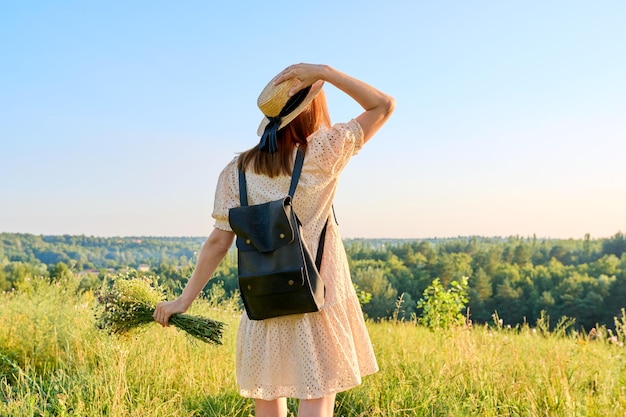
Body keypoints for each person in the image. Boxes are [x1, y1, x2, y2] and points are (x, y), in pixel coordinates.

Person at [153, 63, 395, 417]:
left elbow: (218, 244)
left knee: (268, 398)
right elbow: (383, 105)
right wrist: (324, 72)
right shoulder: (323, 153)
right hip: (317, 296)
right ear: (311, 109)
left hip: (263, 301)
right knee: (317, 395)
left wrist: (183, 301)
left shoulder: (236, 172)